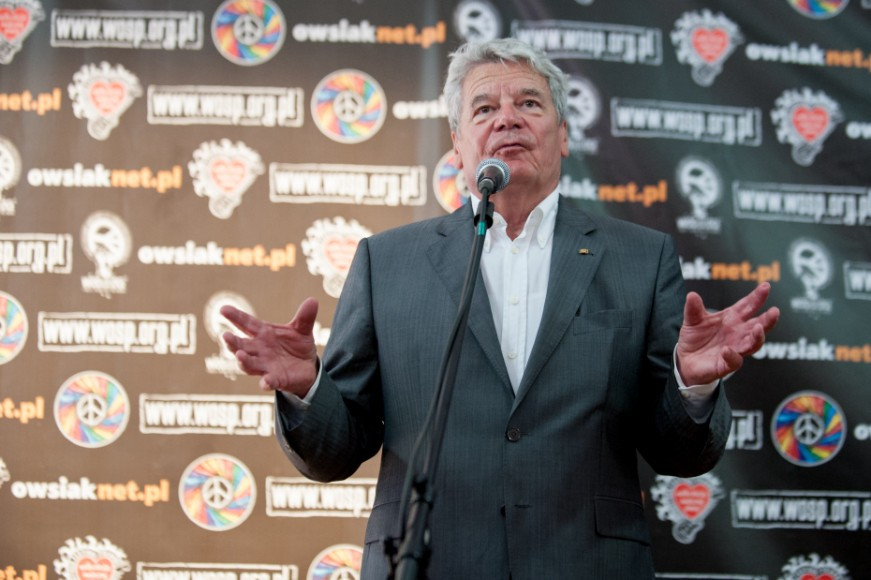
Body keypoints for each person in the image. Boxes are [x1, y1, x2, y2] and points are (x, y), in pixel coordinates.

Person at [221, 38, 780, 579]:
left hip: (589, 564)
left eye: (529, 104)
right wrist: (307, 389)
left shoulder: (640, 257)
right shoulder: (386, 262)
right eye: (484, 107)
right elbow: (336, 451)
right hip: (432, 561)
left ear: (562, 135)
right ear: (458, 144)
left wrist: (692, 385)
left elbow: (678, 452)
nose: (507, 119)